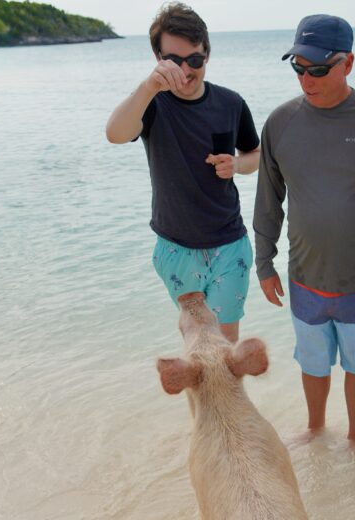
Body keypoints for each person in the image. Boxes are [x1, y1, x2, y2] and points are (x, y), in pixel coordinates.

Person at [253, 15, 355, 448]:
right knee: (313, 363)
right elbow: (267, 198)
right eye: (298, 66)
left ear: (348, 63)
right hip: (305, 275)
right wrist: (264, 262)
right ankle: (316, 429)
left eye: (318, 68)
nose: (307, 78)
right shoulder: (280, 122)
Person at [105, 3, 260, 342]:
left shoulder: (231, 103)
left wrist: (237, 165)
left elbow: (255, 154)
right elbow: (115, 133)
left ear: (207, 54)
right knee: (197, 345)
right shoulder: (152, 104)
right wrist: (149, 87)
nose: (186, 71)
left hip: (229, 245)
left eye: (195, 60)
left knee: (225, 349)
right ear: (158, 60)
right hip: (175, 248)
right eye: (174, 60)